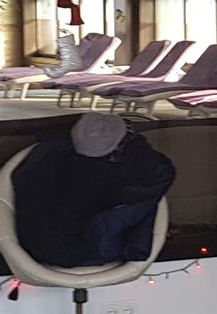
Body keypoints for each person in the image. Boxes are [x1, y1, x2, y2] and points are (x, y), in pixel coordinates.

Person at [12, 113, 176, 268]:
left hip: (36, 245)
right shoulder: (132, 169)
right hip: (87, 249)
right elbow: (160, 175)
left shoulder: (50, 155)